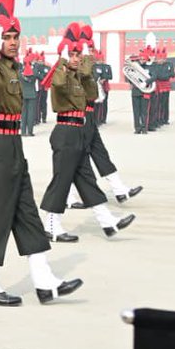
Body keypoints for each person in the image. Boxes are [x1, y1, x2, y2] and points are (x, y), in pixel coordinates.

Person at [0, 0, 81, 305]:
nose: (12, 42)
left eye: (14, 36)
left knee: (27, 215)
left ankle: (44, 280)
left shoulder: (11, 68)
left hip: (13, 146)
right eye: (5, 37)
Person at [36, 24, 135, 241]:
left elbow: (92, 93)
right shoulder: (61, 75)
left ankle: (107, 222)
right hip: (65, 132)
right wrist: (63, 60)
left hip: (78, 132)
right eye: (71, 54)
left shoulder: (79, 77)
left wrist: (86, 59)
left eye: (77, 54)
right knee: (61, 182)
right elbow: (59, 84)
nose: (75, 58)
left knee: (87, 180)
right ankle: (51, 227)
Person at [20, 50, 39, 136]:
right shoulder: (34, 72)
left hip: (23, 94)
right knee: (31, 113)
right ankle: (30, 131)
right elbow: (41, 77)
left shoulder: (20, 72)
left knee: (23, 113)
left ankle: (23, 132)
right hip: (32, 94)